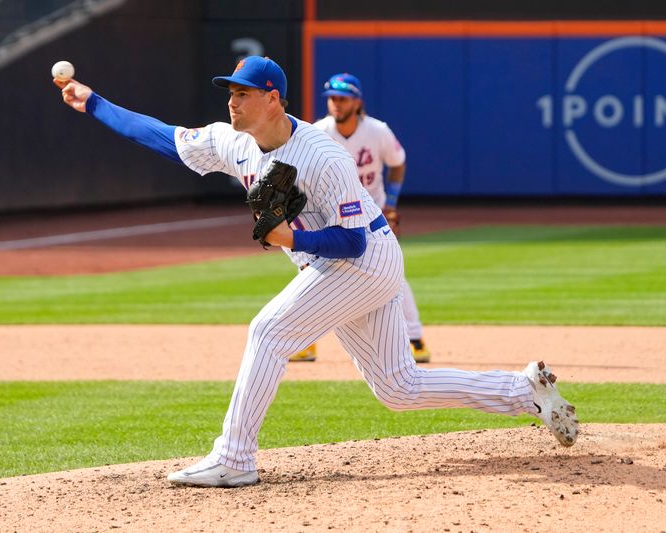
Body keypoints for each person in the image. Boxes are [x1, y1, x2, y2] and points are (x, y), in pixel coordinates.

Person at [53, 55, 579, 488]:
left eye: (242, 93)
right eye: (229, 92)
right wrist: (93, 103)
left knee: (269, 330)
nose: (231, 101)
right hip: (341, 263)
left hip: (365, 259)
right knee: (398, 388)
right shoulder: (230, 140)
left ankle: (234, 458)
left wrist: (291, 238)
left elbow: (351, 240)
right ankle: (523, 390)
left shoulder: (323, 156)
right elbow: (164, 137)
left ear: (273, 98)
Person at [310, 72, 431, 363]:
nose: (336, 104)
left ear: (357, 101)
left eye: (343, 98)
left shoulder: (377, 131)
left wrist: (390, 205)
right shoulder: (317, 132)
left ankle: (414, 338)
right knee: (311, 272)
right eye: (332, 99)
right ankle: (305, 343)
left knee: (393, 274)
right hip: (332, 216)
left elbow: (398, 164)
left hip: (373, 215)